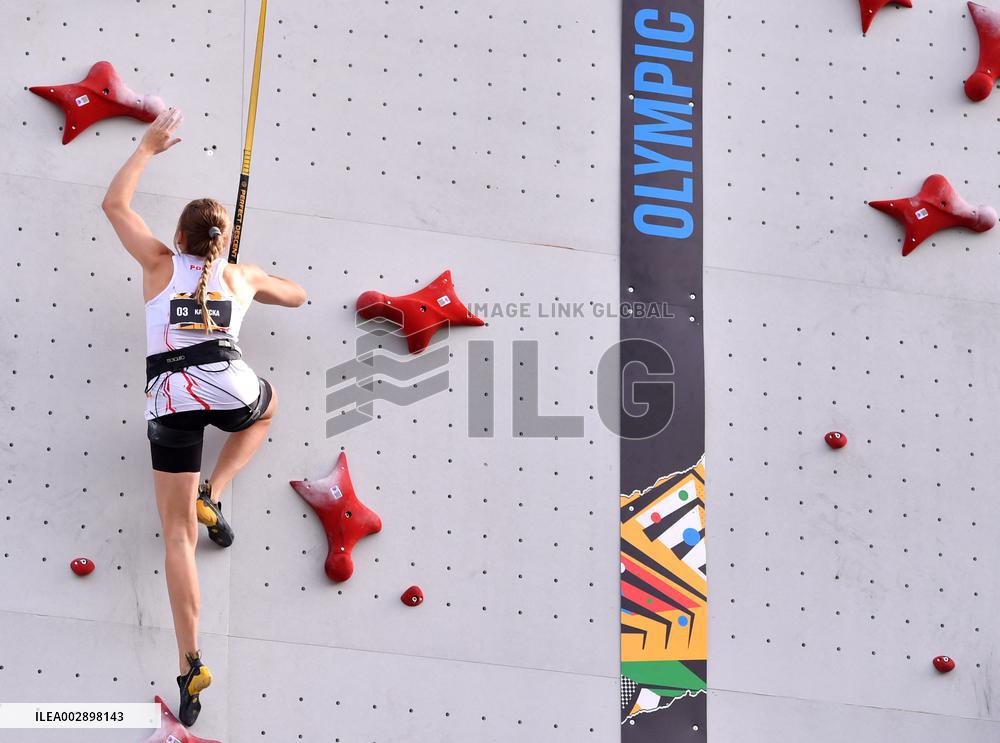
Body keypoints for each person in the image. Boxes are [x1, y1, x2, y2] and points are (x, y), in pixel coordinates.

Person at [102, 108, 307, 727]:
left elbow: (114, 205)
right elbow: (299, 295)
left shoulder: (161, 264)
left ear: (182, 239)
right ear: (220, 243)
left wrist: (146, 148)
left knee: (176, 539)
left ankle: (190, 659)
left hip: (171, 400)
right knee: (266, 408)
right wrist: (248, 273)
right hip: (230, 386)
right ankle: (216, 490)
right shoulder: (241, 276)